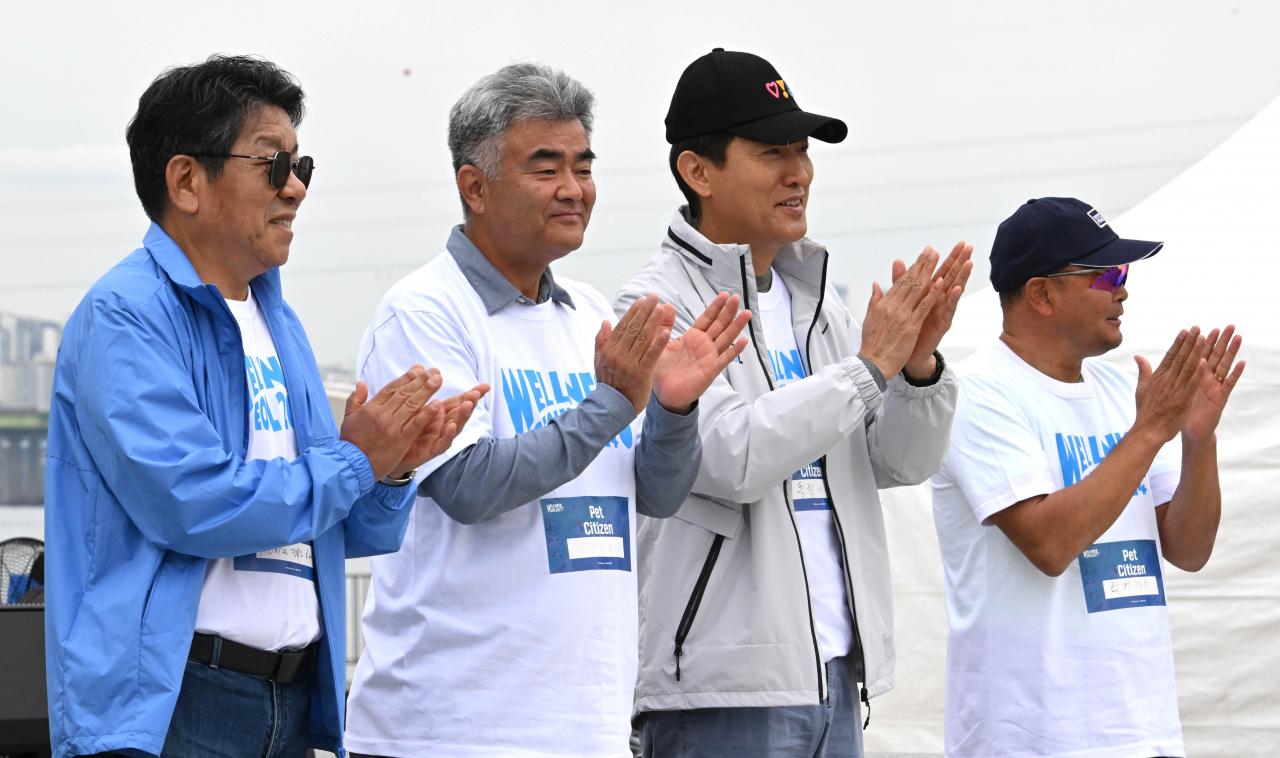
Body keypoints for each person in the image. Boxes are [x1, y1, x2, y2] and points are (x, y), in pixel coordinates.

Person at [44, 55, 485, 758]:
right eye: (272, 164)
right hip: (177, 707)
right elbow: (193, 503)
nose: (297, 189)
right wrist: (354, 462)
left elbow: (340, 530)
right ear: (186, 180)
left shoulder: (280, 323)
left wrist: (392, 470)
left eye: (302, 165)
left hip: (291, 703)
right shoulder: (125, 318)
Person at [342, 63, 750, 758]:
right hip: (451, 731)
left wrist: (674, 410)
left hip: (586, 725)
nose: (574, 190)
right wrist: (612, 403)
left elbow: (653, 493)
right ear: (474, 186)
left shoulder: (588, 313)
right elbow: (467, 486)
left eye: (584, 167)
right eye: (546, 167)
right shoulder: (426, 312)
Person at [615, 49, 972, 758]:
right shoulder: (655, 305)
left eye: (803, 151)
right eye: (773, 151)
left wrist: (919, 370)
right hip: (722, 688)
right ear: (698, 171)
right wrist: (870, 367)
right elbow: (729, 460)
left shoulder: (818, 305)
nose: (799, 172)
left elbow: (900, 463)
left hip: (836, 674)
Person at [931, 197, 1244, 758]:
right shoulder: (974, 392)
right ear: (1042, 294)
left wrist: (1197, 440)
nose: (1122, 288)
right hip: (1033, 740)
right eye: (1106, 273)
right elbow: (1049, 545)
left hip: (1144, 733)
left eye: (1122, 272)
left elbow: (1190, 549)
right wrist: (1149, 433)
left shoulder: (1124, 393)